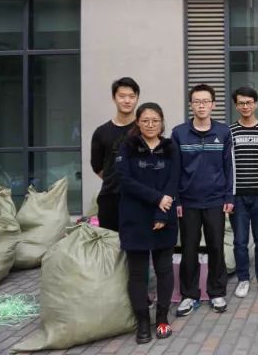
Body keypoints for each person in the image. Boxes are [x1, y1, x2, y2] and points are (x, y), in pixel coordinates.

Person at [116, 102, 179, 344]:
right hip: (135, 218)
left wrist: (162, 213)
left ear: (162, 122)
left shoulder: (170, 146)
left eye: (155, 120)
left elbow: (174, 180)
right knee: (137, 273)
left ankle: (162, 318)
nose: (150, 125)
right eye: (145, 120)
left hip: (165, 215)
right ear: (138, 123)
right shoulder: (128, 147)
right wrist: (157, 198)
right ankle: (142, 321)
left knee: (164, 269)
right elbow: (124, 180)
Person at [172, 84, 234, 316]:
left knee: (216, 246)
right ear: (191, 105)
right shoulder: (179, 133)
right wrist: (177, 201)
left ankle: (216, 292)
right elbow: (174, 170)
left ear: (213, 104)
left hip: (216, 200)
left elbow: (229, 167)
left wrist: (229, 196)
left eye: (205, 101)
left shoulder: (223, 132)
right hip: (188, 202)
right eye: (197, 101)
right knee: (189, 249)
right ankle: (189, 295)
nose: (201, 105)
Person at [229, 87, 258, 298]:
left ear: (255, 104)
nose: (245, 106)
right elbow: (227, 166)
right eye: (241, 103)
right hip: (237, 197)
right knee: (239, 241)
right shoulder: (230, 132)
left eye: (249, 102)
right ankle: (243, 279)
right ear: (236, 105)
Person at [91, 77, 140, 231]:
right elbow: (97, 167)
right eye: (122, 96)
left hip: (139, 198)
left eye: (131, 96)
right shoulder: (101, 132)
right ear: (114, 98)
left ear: (137, 98)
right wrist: (116, 179)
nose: (127, 101)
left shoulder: (144, 129)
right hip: (110, 198)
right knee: (110, 243)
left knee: (137, 244)